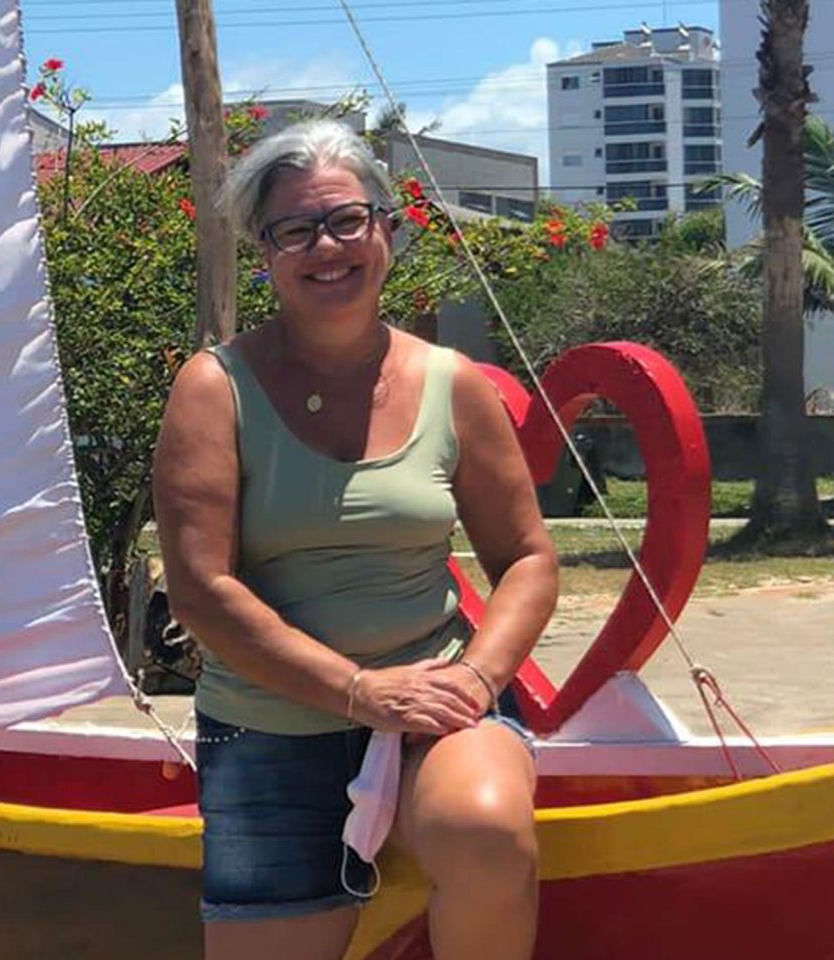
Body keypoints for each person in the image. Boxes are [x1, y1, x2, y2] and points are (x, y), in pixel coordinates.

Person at [153, 120, 558, 960]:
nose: (325, 247)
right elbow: (201, 590)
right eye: (295, 230)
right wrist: (358, 692)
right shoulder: (213, 389)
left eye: (346, 219)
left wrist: (477, 679)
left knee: (485, 832)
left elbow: (526, 558)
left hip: (436, 717)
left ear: (386, 228)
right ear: (265, 253)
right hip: (270, 727)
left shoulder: (454, 386)